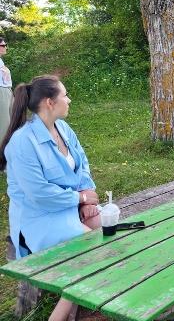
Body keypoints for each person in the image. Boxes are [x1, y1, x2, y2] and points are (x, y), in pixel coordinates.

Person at [0, 75, 100, 321]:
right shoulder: (22, 143)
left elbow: (82, 164)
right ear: (49, 102)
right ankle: (59, 314)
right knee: (96, 248)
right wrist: (80, 198)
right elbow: (39, 195)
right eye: (65, 95)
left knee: (110, 232)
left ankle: (90, 298)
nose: (69, 100)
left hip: (68, 207)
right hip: (38, 219)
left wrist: (86, 199)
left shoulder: (63, 129)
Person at [0, 37, 12, 142]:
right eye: (3, 45)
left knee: (13, 120)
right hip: (1, 93)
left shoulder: (1, 62)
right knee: (4, 123)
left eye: (5, 45)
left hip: (8, 92)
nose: (5, 47)